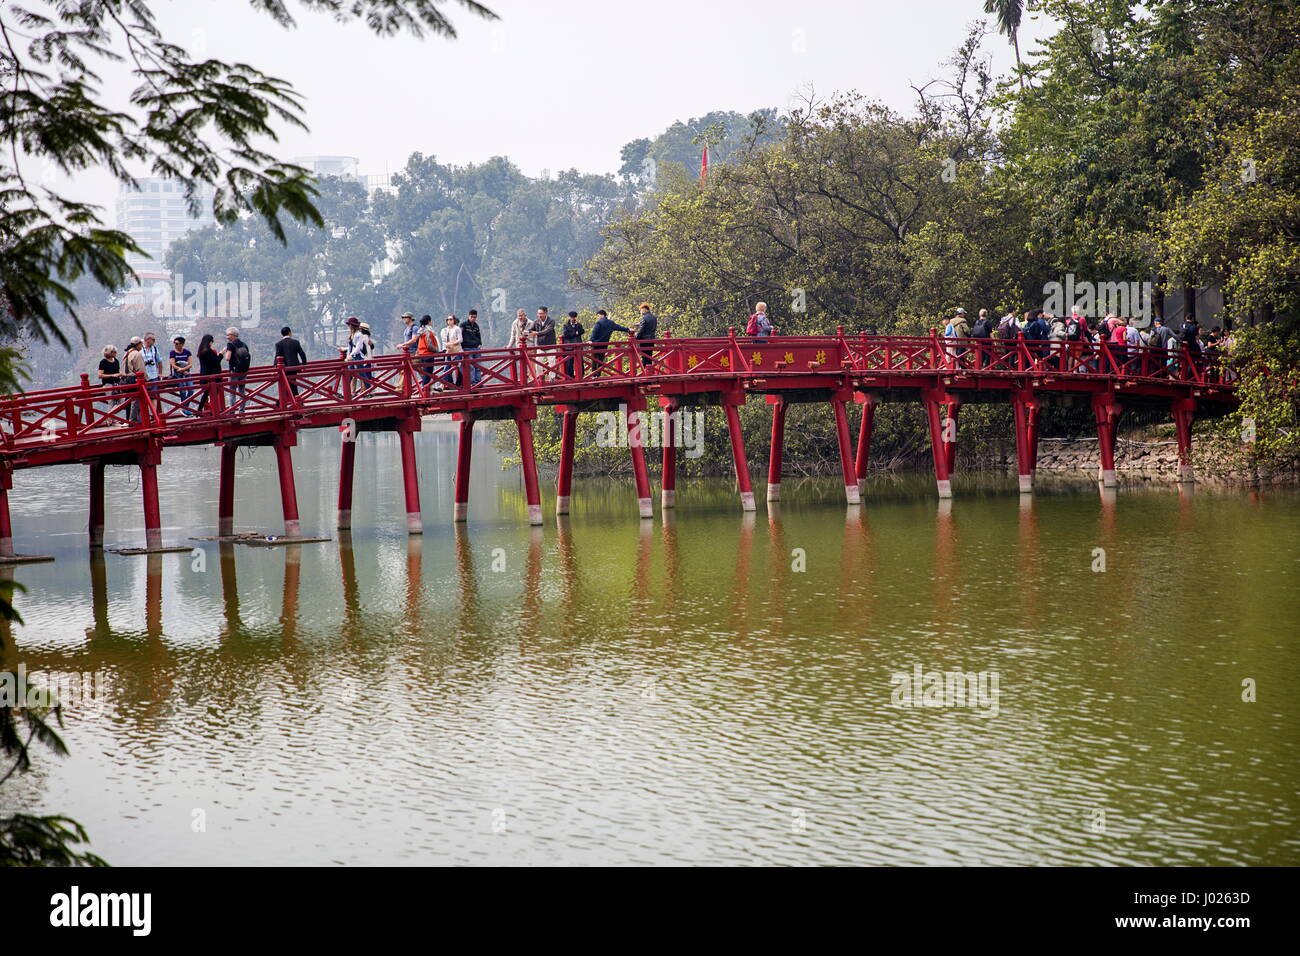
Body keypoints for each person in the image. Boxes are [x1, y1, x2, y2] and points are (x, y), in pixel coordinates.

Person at [589, 309, 631, 377]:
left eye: (598, 315)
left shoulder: (599, 323)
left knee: (594, 360)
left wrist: (591, 340)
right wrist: (628, 330)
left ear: (602, 315)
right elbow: (619, 327)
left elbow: (594, 332)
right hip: (604, 345)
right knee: (600, 361)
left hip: (596, 344)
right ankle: (598, 375)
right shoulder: (611, 323)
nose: (598, 317)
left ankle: (594, 376)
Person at [223, 327, 251, 411]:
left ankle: (232, 411)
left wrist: (224, 352)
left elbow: (227, 358)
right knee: (242, 391)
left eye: (228, 335)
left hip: (234, 372)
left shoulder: (230, 344)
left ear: (233, 335)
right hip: (244, 371)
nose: (227, 337)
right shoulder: (243, 344)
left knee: (232, 392)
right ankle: (242, 410)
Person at [274, 326, 308, 396]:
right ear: (289, 333)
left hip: (284, 368)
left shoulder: (279, 344)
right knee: (293, 382)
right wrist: (304, 365)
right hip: (294, 367)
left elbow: (277, 356)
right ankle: (295, 398)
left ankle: (285, 401)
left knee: (286, 383)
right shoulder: (295, 342)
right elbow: (302, 354)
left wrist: (275, 367)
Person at [195, 333, 223, 413]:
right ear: (209, 342)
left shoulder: (202, 350)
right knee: (213, 393)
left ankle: (201, 410)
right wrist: (221, 354)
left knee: (206, 393)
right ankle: (214, 411)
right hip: (212, 376)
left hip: (205, 374)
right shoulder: (207, 351)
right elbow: (216, 361)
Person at [168, 335, 194, 414]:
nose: (175, 345)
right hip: (178, 375)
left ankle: (185, 407)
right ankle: (185, 409)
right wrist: (182, 370)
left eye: (177, 343)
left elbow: (190, 364)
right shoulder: (172, 353)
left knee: (191, 390)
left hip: (187, 373)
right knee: (182, 391)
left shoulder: (187, 352)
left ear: (182, 344)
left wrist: (184, 369)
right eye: (174, 343)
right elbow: (173, 364)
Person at [122, 337, 146, 422]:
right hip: (135, 379)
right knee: (136, 401)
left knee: (128, 400)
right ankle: (134, 420)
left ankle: (128, 420)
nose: (142, 346)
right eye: (141, 344)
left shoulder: (127, 353)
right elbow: (141, 370)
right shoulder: (137, 354)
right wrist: (146, 379)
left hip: (127, 379)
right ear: (138, 344)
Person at [415, 315, 440, 392]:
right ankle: (425, 390)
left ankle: (424, 389)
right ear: (429, 321)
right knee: (428, 373)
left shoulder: (420, 331)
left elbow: (417, 342)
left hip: (421, 354)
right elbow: (429, 344)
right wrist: (436, 350)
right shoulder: (428, 331)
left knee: (425, 373)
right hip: (428, 354)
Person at [96, 345, 122, 419]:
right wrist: (112, 375)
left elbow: (118, 370)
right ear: (111, 353)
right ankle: (110, 419)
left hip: (117, 384)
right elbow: (100, 375)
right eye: (115, 352)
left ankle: (109, 417)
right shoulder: (103, 362)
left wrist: (121, 374)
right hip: (108, 384)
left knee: (121, 401)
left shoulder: (116, 361)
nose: (116, 353)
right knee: (111, 402)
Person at [440, 314, 463, 388]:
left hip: (457, 351)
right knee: (446, 368)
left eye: (450, 319)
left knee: (460, 368)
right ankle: (443, 385)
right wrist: (446, 344)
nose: (449, 321)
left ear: (454, 320)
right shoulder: (445, 330)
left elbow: (460, 339)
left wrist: (452, 343)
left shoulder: (457, 328)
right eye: (448, 319)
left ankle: (460, 384)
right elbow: (444, 340)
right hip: (449, 351)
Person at [462, 309, 483, 385]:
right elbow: (460, 336)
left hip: (476, 348)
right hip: (467, 348)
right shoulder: (463, 325)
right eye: (472, 317)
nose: (473, 318)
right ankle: (472, 382)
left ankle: (478, 382)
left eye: (474, 317)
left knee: (478, 366)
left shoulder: (476, 326)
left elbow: (478, 336)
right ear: (469, 316)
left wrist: (480, 344)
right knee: (470, 367)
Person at [633, 302, 657, 368]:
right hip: (652, 339)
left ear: (644, 309)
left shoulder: (643, 318)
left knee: (644, 357)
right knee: (649, 356)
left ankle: (646, 372)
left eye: (641, 310)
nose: (640, 311)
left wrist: (636, 337)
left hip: (644, 340)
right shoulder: (654, 317)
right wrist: (639, 324)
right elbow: (649, 326)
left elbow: (641, 330)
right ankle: (650, 371)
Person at [561, 310, 584, 378]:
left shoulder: (578, 325)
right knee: (569, 363)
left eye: (574, 317)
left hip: (578, 346)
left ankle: (581, 375)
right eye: (572, 317)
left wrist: (577, 327)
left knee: (580, 361)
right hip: (569, 346)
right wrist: (575, 333)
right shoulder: (566, 325)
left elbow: (582, 331)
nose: (573, 319)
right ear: (569, 317)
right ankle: (570, 376)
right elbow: (566, 335)